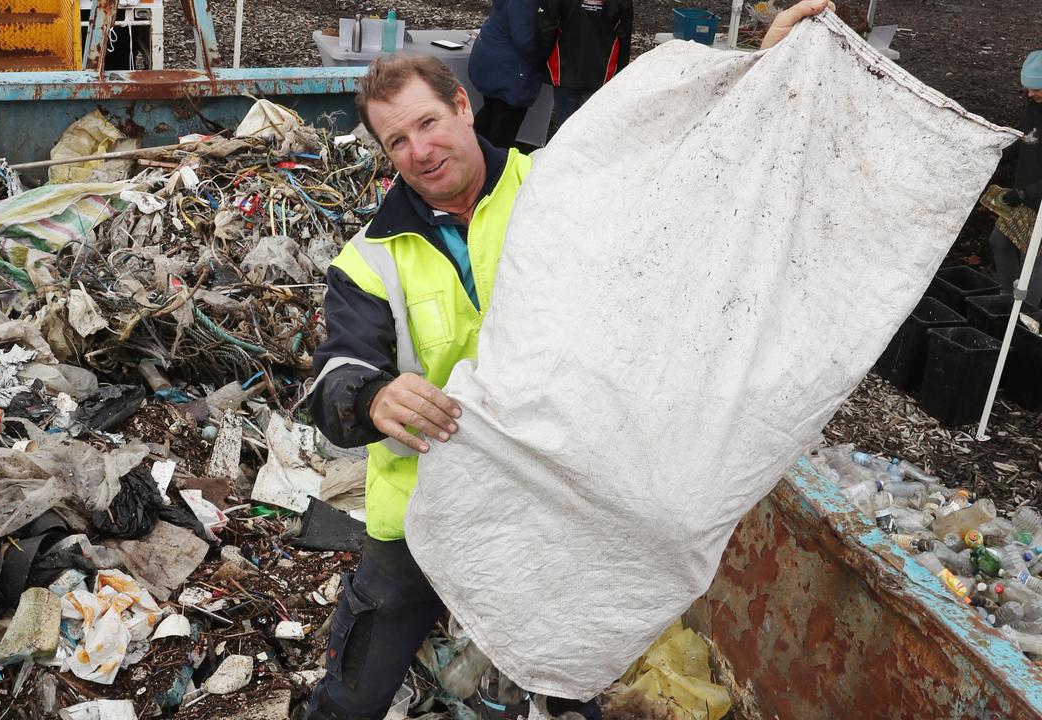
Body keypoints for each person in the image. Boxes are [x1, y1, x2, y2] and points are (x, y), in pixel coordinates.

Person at [298, 4, 832, 719]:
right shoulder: (366, 260)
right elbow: (338, 377)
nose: (420, 150)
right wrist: (374, 399)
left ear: (462, 104)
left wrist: (766, 73)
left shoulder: (560, 183)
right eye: (397, 141)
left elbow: (688, 167)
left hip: (554, 500)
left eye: (428, 123)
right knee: (353, 697)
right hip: (427, 513)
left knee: (566, 678)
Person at [990, 50, 1042, 305]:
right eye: (1027, 88)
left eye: (1036, 88)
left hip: (1037, 199)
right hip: (1027, 195)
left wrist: (1024, 193)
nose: (1030, 94)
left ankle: (1025, 318)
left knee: (1036, 258)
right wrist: (998, 156)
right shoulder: (1035, 106)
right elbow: (1029, 140)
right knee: (1000, 240)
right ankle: (1006, 301)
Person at [536, 0, 633, 131]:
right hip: (600, 73)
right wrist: (621, 73)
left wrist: (541, 60)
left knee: (565, 132)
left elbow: (546, 27)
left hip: (566, 70)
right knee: (588, 133)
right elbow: (624, 35)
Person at [469, 0, 547, 149]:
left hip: (494, 60)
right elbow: (525, 41)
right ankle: (496, 166)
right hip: (511, 69)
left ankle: (470, 151)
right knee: (504, 127)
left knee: (492, 110)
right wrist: (546, 57)